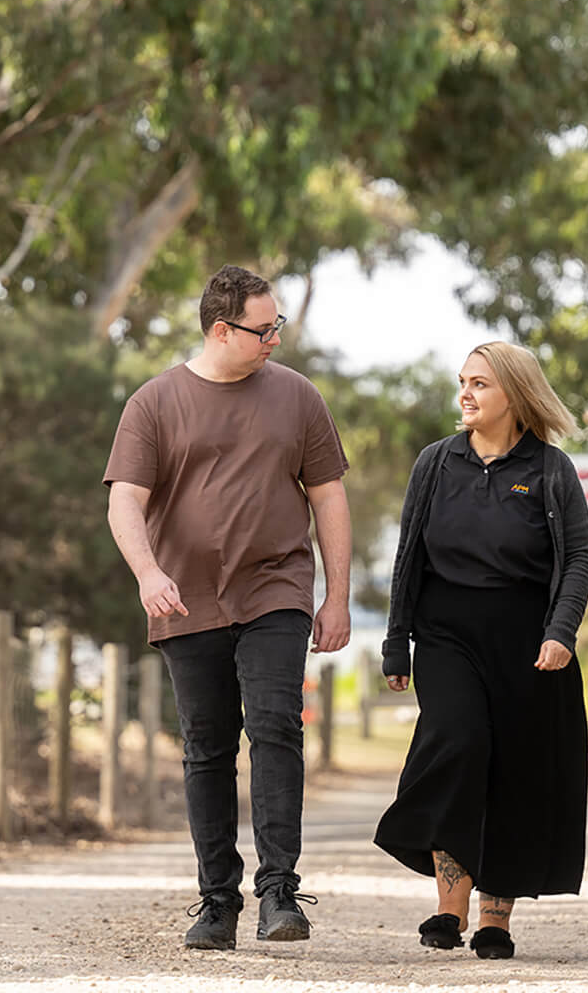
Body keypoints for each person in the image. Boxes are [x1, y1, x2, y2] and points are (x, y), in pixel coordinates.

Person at [103, 264, 354, 950]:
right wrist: (148, 572)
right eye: (264, 328)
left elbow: (327, 494)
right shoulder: (154, 403)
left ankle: (279, 891)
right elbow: (125, 498)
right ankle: (218, 901)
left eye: (278, 325)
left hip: (276, 587)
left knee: (275, 724)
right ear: (222, 329)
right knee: (206, 748)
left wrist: (336, 595)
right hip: (184, 598)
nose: (276, 337)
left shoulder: (298, 397)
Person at [372, 340, 588, 961]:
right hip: (446, 635)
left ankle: (495, 917)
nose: (465, 394)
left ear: (516, 396)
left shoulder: (551, 471)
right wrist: (397, 644)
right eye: (463, 382)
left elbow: (577, 557)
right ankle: (450, 907)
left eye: (480, 384)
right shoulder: (436, 463)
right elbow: (408, 556)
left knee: (515, 771)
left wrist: (561, 632)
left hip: (528, 641)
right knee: (459, 743)